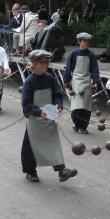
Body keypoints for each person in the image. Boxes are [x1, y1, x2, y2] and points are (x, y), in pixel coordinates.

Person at [21, 49, 78, 183]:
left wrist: (58, 106)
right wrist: (38, 112)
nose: (45, 64)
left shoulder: (50, 78)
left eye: (46, 62)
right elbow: (26, 103)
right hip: (35, 119)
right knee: (31, 146)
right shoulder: (29, 82)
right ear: (34, 64)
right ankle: (30, 171)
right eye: (41, 62)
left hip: (49, 116)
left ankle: (61, 170)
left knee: (52, 142)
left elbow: (57, 95)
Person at [62, 32, 100, 134]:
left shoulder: (91, 55)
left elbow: (94, 69)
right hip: (76, 81)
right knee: (77, 105)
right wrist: (66, 80)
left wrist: (96, 81)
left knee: (86, 106)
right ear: (79, 41)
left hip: (87, 82)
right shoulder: (74, 54)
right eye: (84, 41)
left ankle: (83, 126)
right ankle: (76, 123)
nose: (86, 43)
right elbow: (69, 68)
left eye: (88, 41)